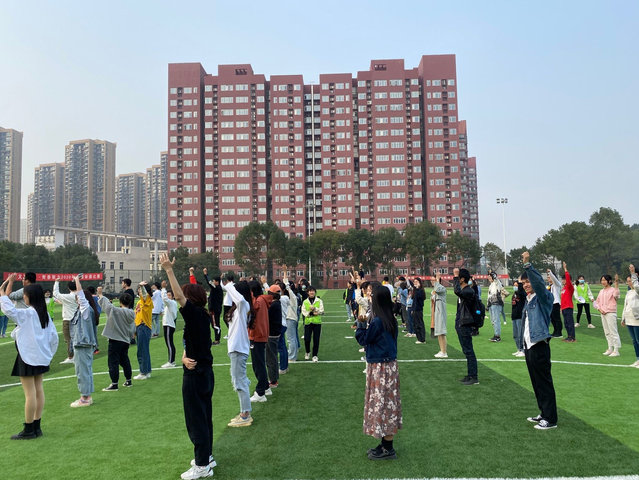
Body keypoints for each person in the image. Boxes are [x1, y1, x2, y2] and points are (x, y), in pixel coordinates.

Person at [160, 253, 215, 479]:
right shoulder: (201, 316)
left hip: (196, 376)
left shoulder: (194, 314)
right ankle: (207, 457)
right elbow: (191, 343)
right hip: (204, 373)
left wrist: (169, 270)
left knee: (196, 420)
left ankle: (202, 465)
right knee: (204, 416)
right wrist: (183, 357)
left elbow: (180, 297)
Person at [0, 274, 58, 439]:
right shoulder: (44, 315)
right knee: (38, 390)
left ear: (30, 297)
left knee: (30, 393)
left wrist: (3, 290)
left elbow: (8, 309)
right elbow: (54, 338)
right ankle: (36, 426)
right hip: (41, 357)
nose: (23, 297)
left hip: (28, 357)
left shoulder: (28, 314)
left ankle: (28, 429)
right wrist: (48, 355)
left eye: (25, 295)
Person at [356, 284, 402, 460]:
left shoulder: (377, 321)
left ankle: (388, 448)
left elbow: (364, 339)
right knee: (387, 405)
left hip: (380, 368)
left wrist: (361, 325)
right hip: (388, 366)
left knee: (382, 405)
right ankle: (385, 444)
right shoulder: (390, 318)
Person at [520, 251, 558, 430]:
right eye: (523, 283)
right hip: (529, 346)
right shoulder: (528, 300)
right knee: (536, 383)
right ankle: (543, 413)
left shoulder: (543, 297)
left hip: (540, 345)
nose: (526, 285)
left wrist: (527, 264)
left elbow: (539, 284)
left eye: (528, 281)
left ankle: (550, 419)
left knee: (544, 382)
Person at [222, 280, 253, 427]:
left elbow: (239, 299)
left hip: (238, 349)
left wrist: (228, 285)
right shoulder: (238, 308)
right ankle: (244, 411)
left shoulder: (243, 305)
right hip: (236, 348)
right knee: (240, 380)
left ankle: (245, 415)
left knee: (239, 381)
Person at [70, 274, 99, 408]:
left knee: (82, 372)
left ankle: (85, 398)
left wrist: (77, 281)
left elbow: (82, 298)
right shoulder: (85, 311)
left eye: (77, 298)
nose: (77, 300)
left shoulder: (86, 310)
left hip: (83, 344)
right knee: (85, 371)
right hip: (83, 344)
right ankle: (87, 396)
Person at [97, 289, 135, 391]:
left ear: (120, 301)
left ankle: (114, 384)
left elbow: (107, 306)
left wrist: (100, 294)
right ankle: (128, 380)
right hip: (125, 340)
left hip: (115, 340)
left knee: (113, 362)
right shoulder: (132, 313)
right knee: (125, 360)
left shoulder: (117, 311)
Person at [453, 268, 479, 385]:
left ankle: (474, 377)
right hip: (461, 323)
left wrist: (455, 276)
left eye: (458, 277)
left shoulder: (468, 291)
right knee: (466, 350)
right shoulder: (464, 291)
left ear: (462, 279)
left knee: (469, 351)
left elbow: (457, 291)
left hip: (466, 324)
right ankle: (470, 375)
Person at [248, 280, 272, 402]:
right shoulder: (262, 300)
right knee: (260, 363)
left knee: (258, 365)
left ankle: (260, 392)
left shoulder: (257, 302)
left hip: (257, 336)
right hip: (260, 335)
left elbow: (250, 311)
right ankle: (266, 387)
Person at [594, 273, 621, 357]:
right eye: (602, 280)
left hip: (610, 313)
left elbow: (616, 296)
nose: (603, 282)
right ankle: (610, 348)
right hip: (603, 313)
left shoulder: (613, 290)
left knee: (613, 331)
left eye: (604, 280)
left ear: (609, 281)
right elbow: (596, 302)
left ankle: (616, 350)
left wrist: (616, 283)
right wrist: (600, 309)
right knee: (607, 332)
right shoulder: (601, 291)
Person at [54, 278, 79, 364]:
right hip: (77, 319)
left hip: (68, 319)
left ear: (69, 288)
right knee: (76, 338)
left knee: (68, 339)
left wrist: (56, 282)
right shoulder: (80, 295)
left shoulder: (68, 296)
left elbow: (56, 294)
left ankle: (71, 357)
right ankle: (76, 355)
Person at [133, 282, 154, 380]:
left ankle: (143, 372)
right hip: (139, 327)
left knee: (142, 350)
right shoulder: (139, 302)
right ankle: (147, 371)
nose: (139, 291)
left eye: (140, 289)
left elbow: (145, 295)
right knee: (143, 350)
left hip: (144, 327)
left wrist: (142, 286)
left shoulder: (147, 299)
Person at [621, 264, 639, 367]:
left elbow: (637, 286)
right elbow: (625, 306)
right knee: (634, 341)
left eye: (631, 280)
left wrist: (633, 273)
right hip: (629, 320)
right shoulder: (629, 292)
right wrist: (623, 318)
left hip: (637, 319)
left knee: (638, 340)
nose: (629, 282)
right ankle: (637, 359)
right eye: (628, 281)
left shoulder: (637, 290)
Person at [265, 284, 282, 388]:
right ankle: (274, 378)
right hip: (275, 333)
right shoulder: (277, 304)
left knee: (271, 358)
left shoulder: (273, 305)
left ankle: (273, 380)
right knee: (273, 357)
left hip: (271, 334)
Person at [301, 287, 324, 362]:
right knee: (307, 339)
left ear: (315, 292)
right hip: (308, 323)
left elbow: (322, 311)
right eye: (310, 291)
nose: (312, 292)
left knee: (316, 339)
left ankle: (315, 355)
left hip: (317, 323)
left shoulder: (319, 301)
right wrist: (311, 313)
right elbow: (304, 312)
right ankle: (307, 352)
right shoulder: (305, 302)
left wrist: (315, 308)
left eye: (313, 291)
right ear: (308, 292)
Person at [487, 272, 509, 342]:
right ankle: (495, 334)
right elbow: (489, 296)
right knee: (493, 320)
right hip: (491, 304)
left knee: (496, 320)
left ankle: (497, 336)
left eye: (490, 276)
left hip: (496, 303)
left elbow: (497, 280)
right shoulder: (491, 285)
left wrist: (493, 274)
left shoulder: (497, 283)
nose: (488, 278)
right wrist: (487, 305)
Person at [282, 272, 300, 363]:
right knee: (293, 338)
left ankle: (292, 357)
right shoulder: (290, 298)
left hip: (290, 319)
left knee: (291, 339)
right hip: (292, 319)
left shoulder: (292, 297)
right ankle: (294, 355)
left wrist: (285, 273)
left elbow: (287, 285)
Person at [203, 268, 223, 345]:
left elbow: (209, 283)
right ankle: (216, 339)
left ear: (217, 282)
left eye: (214, 281)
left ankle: (217, 340)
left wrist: (206, 274)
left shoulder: (216, 288)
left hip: (214, 310)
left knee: (215, 325)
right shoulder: (217, 289)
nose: (213, 282)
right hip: (214, 309)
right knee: (214, 324)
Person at [161, 283, 179, 368]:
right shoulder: (170, 304)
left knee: (169, 343)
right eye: (167, 295)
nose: (168, 296)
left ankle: (171, 361)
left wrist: (163, 288)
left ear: (173, 296)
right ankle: (171, 361)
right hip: (168, 325)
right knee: (169, 343)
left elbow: (164, 299)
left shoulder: (171, 302)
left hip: (169, 325)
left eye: (169, 295)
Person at [431, 273, 447, 358]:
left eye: (434, 280)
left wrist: (437, 279)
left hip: (440, 312)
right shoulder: (434, 290)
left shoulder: (441, 288)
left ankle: (444, 352)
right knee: (438, 332)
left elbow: (437, 289)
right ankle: (441, 350)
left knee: (441, 332)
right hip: (436, 312)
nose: (432, 282)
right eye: (431, 280)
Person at [559, 262, 576, 342]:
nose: (563, 281)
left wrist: (565, 269)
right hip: (564, 308)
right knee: (566, 323)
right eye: (562, 279)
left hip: (568, 307)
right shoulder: (563, 288)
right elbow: (562, 299)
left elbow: (568, 280)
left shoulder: (570, 287)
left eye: (564, 279)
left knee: (570, 323)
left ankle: (572, 337)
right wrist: (561, 308)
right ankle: (569, 336)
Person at [511, 281, 526, 357]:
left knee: (521, 334)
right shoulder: (514, 295)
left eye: (516, 285)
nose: (515, 287)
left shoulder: (522, 294)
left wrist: (520, 283)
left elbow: (522, 293)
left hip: (520, 316)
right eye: (514, 285)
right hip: (514, 316)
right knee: (515, 335)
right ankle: (519, 349)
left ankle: (523, 350)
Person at [546, 268, 563, 338]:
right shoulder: (549, 286)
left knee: (557, 318)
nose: (548, 278)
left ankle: (559, 332)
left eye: (549, 277)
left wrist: (550, 272)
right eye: (547, 277)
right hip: (550, 304)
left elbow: (554, 279)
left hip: (556, 303)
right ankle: (555, 331)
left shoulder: (557, 284)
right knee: (552, 318)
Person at [411, 277, 426, 344]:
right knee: (415, 324)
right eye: (414, 282)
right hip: (414, 309)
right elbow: (414, 300)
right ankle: (419, 338)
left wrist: (417, 288)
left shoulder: (421, 291)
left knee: (419, 324)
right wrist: (412, 309)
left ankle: (422, 339)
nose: (415, 283)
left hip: (419, 310)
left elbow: (419, 297)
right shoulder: (415, 291)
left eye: (417, 282)